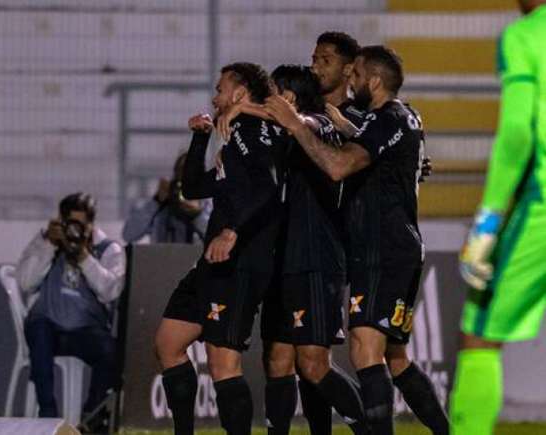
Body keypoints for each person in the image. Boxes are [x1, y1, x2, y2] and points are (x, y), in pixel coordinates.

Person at [264, 45, 425, 435]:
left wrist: (295, 124)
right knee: (287, 358)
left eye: (329, 62)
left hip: (358, 251)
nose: (319, 67)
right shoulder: (366, 120)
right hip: (316, 252)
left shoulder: (369, 119)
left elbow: (338, 164)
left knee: (344, 356)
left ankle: (374, 431)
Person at [155, 62, 280, 435]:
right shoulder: (232, 136)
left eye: (220, 88)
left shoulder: (253, 130)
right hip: (213, 264)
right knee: (168, 343)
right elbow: (192, 188)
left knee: (222, 362)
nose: (215, 96)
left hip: (239, 262)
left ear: (240, 94)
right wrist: (199, 139)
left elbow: (268, 187)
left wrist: (232, 233)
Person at [253, 65, 369, 435]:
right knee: (277, 359)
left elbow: (306, 124)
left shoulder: (317, 124)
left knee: (314, 364)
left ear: (291, 96)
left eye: (275, 92)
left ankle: (371, 428)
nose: (268, 99)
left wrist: (242, 108)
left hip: (316, 259)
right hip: (283, 261)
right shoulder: (283, 136)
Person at [450, 2, 546, 434]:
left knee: (480, 333)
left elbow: (517, 133)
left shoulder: (525, 36)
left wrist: (488, 217)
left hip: (541, 208)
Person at [16, 192, 126, 427]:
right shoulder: (48, 240)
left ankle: (92, 419)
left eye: (80, 224)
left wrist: (84, 257)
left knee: (111, 351)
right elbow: (25, 282)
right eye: (70, 223)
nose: (74, 230)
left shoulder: (108, 249)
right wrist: (49, 245)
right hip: (50, 326)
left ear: (91, 224)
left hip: (85, 330)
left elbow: (111, 291)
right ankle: (48, 416)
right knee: (38, 329)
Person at [122, 152, 212, 244]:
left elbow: (218, 240)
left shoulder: (207, 205)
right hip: (163, 257)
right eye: (182, 169)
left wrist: (197, 215)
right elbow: (128, 234)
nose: (186, 174)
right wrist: (156, 201)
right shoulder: (161, 208)